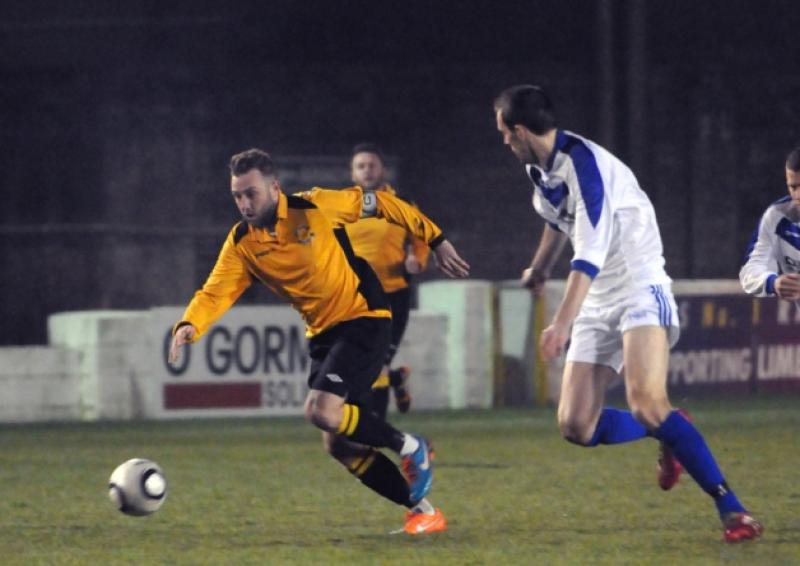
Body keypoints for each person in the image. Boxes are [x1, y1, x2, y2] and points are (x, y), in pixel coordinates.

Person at [493, 84, 762, 543]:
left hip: (638, 285)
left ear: (519, 131)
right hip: (597, 296)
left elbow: (591, 253)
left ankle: (733, 510)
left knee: (646, 402)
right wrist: (539, 269)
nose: (502, 142)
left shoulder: (585, 167)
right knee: (576, 425)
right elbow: (559, 223)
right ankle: (671, 430)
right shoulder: (542, 169)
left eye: (503, 132)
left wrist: (561, 321)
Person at [169, 149, 469, 534]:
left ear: (274, 187)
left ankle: (412, 446)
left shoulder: (316, 206)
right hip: (323, 334)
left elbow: (386, 205)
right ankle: (424, 512)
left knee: (321, 411)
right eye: (238, 195)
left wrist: (436, 240)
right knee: (339, 445)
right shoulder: (243, 243)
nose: (244, 203)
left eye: (252, 193)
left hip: (364, 315)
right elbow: (215, 292)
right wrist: (189, 325)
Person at [344, 143, 430, 418]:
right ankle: (395, 380)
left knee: (376, 364)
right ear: (352, 173)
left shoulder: (402, 204)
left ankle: (375, 427)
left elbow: (422, 239)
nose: (367, 171)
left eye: (372, 165)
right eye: (361, 166)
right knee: (360, 364)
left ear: (382, 170)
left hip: (393, 294)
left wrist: (417, 260)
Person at [740, 147, 800, 300]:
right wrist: (772, 283)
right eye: (793, 187)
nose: (797, 195)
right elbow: (750, 271)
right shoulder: (777, 217)